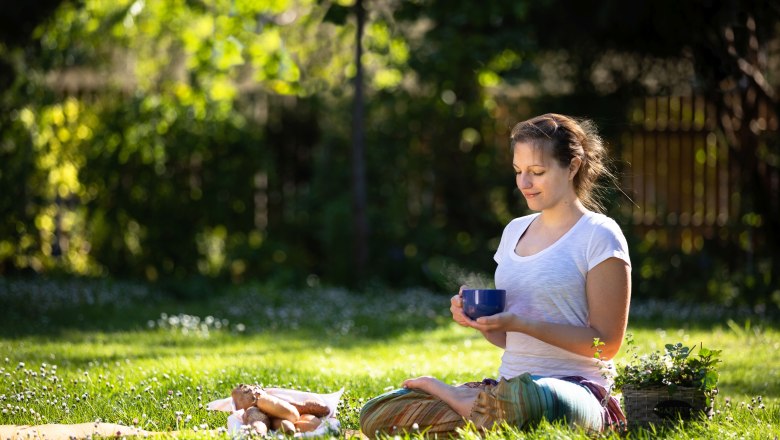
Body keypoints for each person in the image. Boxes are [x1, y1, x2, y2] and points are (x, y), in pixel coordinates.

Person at [359, 113, 631, 437]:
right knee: (377, 413)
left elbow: (608, 344)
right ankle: (485, 410)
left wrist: (520, 323)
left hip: (574, 391)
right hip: (507, 388)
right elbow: (510, 339)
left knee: (527, 398)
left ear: (572, 166)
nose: (524, 183)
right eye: (518, 171)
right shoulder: (514, 232)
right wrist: (484, 323)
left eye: (537, 172)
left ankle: (463, 399)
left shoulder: (599, 235)